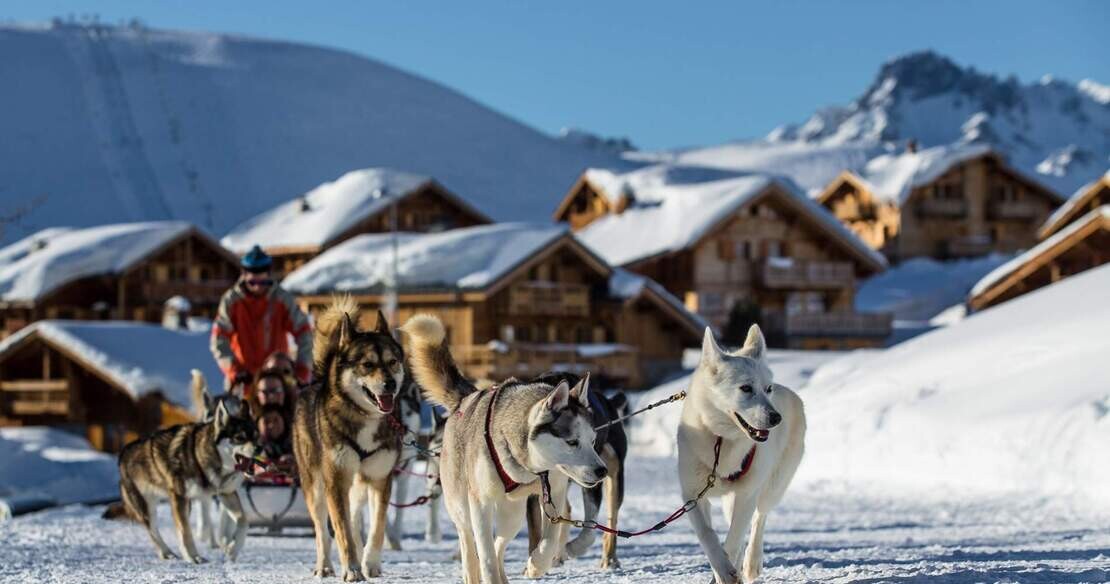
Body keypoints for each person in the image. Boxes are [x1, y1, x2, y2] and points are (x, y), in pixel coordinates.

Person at [210, 245, 313, 390]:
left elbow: (304, 331)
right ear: (244, 276)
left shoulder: (282, 299)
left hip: (277, 381)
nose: (257, 287)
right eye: (252, 282)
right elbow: (219, 339)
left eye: (262, 282)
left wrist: (303, 368)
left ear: (269, 275)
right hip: (244, 380)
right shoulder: (232, 301)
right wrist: (233, 369)